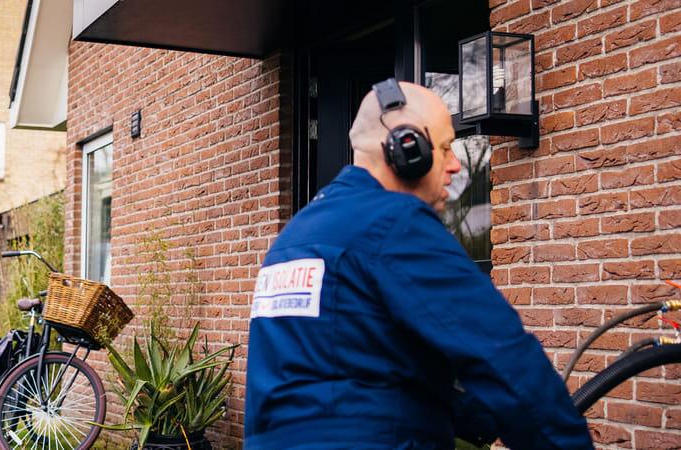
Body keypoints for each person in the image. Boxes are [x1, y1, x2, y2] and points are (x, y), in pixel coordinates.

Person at [244, 80, 592, 449]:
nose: (456, 165)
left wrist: (475, 417)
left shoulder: (292, 240)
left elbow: (364, 371)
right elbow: (501, 356)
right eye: (445, 148)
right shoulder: (394, 223)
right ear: (408, 150)